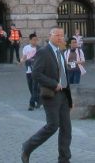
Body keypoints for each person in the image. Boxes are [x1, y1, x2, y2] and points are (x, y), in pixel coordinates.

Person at [21, 27, 72, 163]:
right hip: (51, 94)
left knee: (66, 129)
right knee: (52, 126)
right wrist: (53, 84)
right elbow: (36, 74)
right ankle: (27, 147)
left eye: (62, 35)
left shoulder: (61, 52)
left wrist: (70, 99)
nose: (61, 38)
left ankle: (64, 159)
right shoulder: (43, 52)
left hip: (64, 95)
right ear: (50, 36)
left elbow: (64, 76)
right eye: (57, 35)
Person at [20, 33, 40, 110]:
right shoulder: (26, 48)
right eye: (34, 40)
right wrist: (21, 61)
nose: (35, 41)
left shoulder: (39, 49)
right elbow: (24, 57)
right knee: (31, 88)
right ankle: (38, 100)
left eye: (36, 40)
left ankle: (31, 104)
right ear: (30, 40)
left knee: (34, 87)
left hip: (36, 71)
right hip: (28, 70)